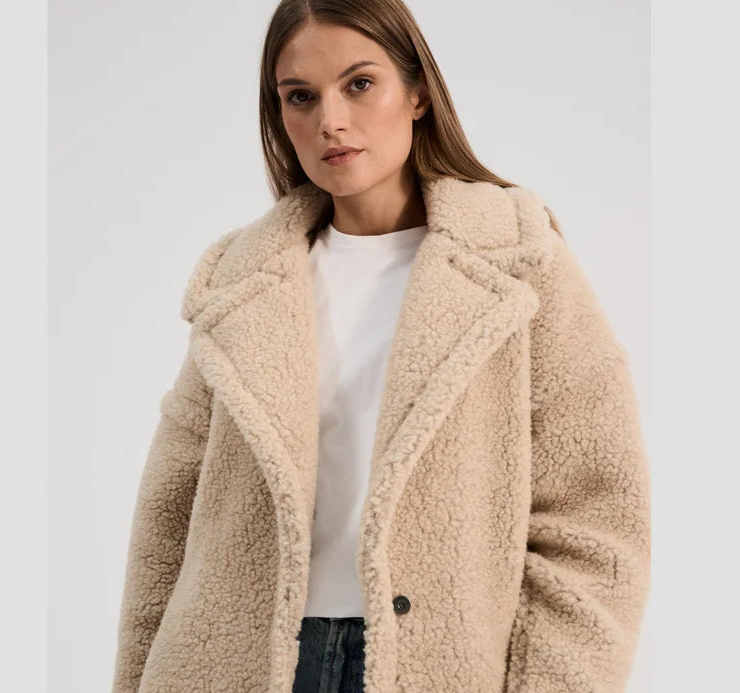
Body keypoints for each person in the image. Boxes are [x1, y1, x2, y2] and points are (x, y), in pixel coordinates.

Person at [110, 1, 651, 692]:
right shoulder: (242, 284)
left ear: (418, 91)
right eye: (300, 97)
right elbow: (167, 524)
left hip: (440, 665)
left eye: (359, 84)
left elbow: (596, 519)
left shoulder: (518, 264)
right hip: (240, 664)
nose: (330, 120)